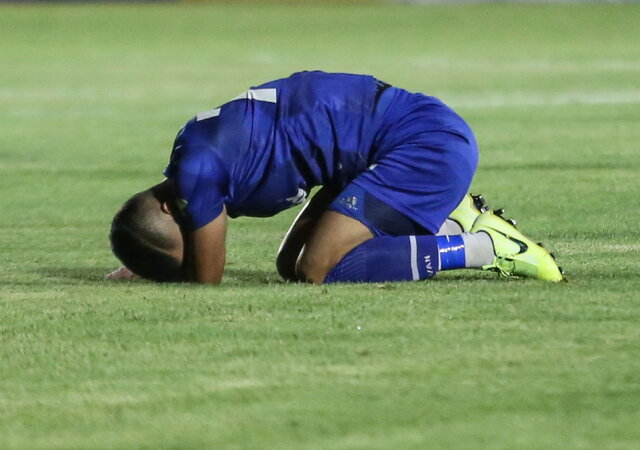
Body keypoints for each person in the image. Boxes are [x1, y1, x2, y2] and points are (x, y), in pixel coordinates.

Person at [107, 71, 565, 284]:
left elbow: (207, 280)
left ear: (169, 207)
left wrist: (168, 269)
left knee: (315, 269)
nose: (201, 240)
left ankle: (484, 247)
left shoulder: (196, 175)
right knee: (290, 268)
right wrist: (146, 257)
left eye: (185, 237)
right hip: (390, 149)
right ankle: (451, 223)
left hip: (424, 146)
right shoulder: (194, 158)